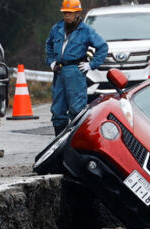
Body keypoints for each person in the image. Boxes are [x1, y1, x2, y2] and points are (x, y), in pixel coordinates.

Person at [45, 0, 108, 136]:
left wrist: (91, 64)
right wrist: (51, 62)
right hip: (59, 71)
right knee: (58, 110)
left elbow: (102, 47)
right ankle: (59, 141)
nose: (67, 16)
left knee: (77, 109)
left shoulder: (86, 31)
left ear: (77, 13)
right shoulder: (57, 28)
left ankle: (75, 141)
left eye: (70, 13)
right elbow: (49, 45)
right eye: (65, 13)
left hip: (75, 71)